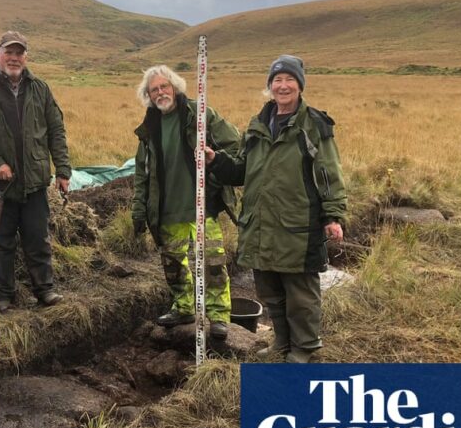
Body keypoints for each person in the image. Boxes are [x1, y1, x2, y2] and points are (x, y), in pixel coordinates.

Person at [205, 55, 347, 363]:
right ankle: (282, 342)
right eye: (277, 80)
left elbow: (328, 173)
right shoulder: (258, 125)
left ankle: (305, 350)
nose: (282, 86)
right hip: (260, 223)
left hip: (298, 224)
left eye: (289, 80)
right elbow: (241, 171)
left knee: (301, 293)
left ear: (299, 85)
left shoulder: (314, 125)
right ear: (270, 86)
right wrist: (216, 160)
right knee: (269, 289)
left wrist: (333, 215)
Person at [0, 30, 71, 313]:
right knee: (1, 241)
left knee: (37, 237)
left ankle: (44, 290)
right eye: (8, 52)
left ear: (26, 57)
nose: (14, 58)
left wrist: (63, 170)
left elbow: (56, 130)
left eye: (19, 53)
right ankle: (4, 294)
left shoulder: (40, 88)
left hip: (34, 180)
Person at [132, 65, 240, 340]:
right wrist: (139, 209)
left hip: (204, 204)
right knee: (173, 264)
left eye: (164, 86)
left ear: (175, 87)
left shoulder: (199, 114)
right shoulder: (149, 127)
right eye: (154, 89)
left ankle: (218, 316)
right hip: (166, 208)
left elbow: (235, 143)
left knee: (213, 263)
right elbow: (141, 173)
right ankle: (183, 307)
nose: (160, 92)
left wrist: (215, 164)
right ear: (148, 95)